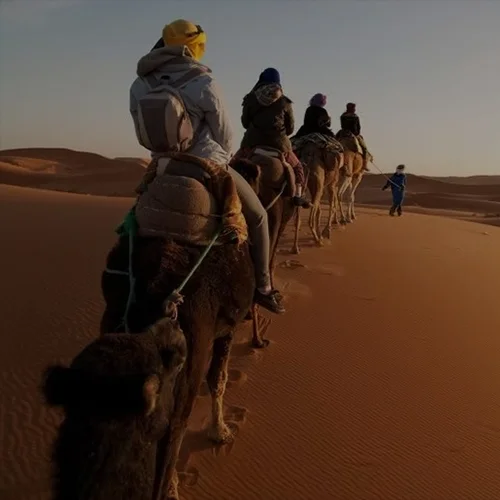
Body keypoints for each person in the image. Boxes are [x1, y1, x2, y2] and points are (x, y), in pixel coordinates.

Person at [129, 20, 285, 314]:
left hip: (162, 165)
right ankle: (264, 287)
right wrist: (219, 159)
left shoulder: (140, 84)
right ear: (195, 46)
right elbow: (225, 136)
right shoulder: (204, 82)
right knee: (259, 217)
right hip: (207, 164)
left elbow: (141, 132)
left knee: (132, 220)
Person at [232, 68, 311, 208]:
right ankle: (298, 195)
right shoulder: (285, 102)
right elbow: (291, 128)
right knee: (298, 168)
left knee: (231, 165)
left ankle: (225, 192)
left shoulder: (251, 99)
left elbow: (245, 123)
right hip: (279, 146)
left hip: (252, 144)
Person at [339, 102, 370, 171]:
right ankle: (365, 164)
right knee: (364, 148)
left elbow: (342, 126)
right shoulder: (355, 117)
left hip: (343, 133)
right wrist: (356, 134)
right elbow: (358, 127)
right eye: (354, 108)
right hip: (354, 134)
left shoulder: (343, 116)